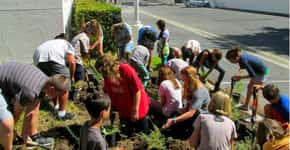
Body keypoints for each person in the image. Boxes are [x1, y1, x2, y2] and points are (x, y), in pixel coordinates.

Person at [0, 62, 70, 148]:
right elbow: (17, 111)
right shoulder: (30, 92)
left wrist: (24, 135)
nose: (57, 97)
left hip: (7, 80)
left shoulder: (45, 81)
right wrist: (12, 130)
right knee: (7, 123)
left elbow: (32, 111)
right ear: (52, 88)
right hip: (2, 83)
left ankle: (31, 136)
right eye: (58, 94)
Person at [95, 53, 150, 137]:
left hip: (138, 105)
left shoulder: (126, 70)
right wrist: (111, 109)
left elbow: (137, 91)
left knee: (142, 134)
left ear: (109, 68)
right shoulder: (107, 75)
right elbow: (110, 93)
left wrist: (135, 110)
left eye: (103, 72)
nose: (103, 75)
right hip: (123, 109)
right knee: (127, 134)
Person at [33, 34, 76, 120]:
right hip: (52, 57)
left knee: (52, 82)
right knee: (64, 82)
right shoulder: (66, 43)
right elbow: (72, 62)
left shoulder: (50, 43)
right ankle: (62, 114)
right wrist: (71, 77)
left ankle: (56, 106)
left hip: (38, 57)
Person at [162, 66, 210, 139]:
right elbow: (189, 102)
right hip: (194, 113)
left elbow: (191, 113)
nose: (183, 82)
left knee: (177, 127)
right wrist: (184, 109)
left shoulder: (199, 92)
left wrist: (173, 121)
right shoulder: (192, 86)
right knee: (174, 115)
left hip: (201, 117)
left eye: (184, 79)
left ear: (190, 78)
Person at [226, 46, 269, 111]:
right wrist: (237, 74)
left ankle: (253, 111)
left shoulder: (243, 60)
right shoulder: (241, 57)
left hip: (262, 72)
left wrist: (240, 77)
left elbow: (252, 74)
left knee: (255, 90)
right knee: (250, 87)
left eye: (231, 61)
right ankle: (246, 106)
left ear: (236, 58)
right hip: (262, 69)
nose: (231, 63)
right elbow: (242, 67)